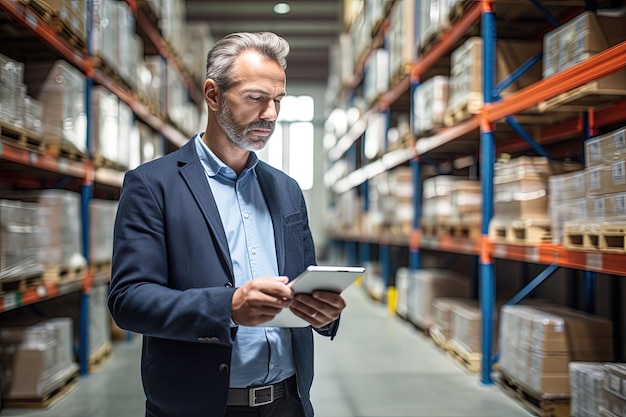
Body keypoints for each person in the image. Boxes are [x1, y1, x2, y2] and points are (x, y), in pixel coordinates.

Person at [108, 32, 347, 417]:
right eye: (255, 98)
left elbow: (307, 282)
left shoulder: (286, 190)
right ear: (213, 95)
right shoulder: (153, 185)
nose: (270, 114)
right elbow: (129, 301)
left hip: (288, 403)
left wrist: (325, 314)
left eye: (278, 101)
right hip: (199, 406)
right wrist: (228, 308)